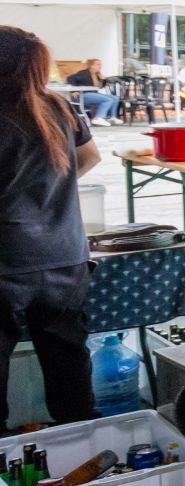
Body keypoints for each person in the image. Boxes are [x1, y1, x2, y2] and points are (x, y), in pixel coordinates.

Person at [0, 27, 103, 430]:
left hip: (7, 263)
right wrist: (48, 187)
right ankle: (81, 438)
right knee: (68, 362)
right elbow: (89, 157)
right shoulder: (60, 106)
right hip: (65, 256)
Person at [65, 58, 122, 124]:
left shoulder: (97, 75)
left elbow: (100, 87)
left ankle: (112, 117)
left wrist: (103, 80)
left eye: (100, 64)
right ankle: (98, 118)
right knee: (108, 100)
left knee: (115, 98)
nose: (100, 66)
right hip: (83, 95)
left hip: (93, 94)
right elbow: (70, 78)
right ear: (91, 66)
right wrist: (73, 91)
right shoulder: (84, 73)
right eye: (98, 64)